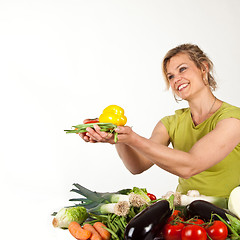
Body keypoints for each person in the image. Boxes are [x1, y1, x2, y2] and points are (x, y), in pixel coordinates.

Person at [80, 43, 240, 198]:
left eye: (182, 69)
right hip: (186, 217)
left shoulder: (232, 119)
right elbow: (137, 165)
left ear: (203, 68)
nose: (176, 79)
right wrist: (117, 136)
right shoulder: (170, 123)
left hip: (227, 217)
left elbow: (190, 166)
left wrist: (133, 138)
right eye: (171, 76)